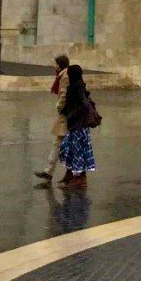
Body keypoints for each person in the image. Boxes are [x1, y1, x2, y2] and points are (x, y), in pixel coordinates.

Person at [57, 63, 96, 190]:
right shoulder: (77, 85)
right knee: (69, 149)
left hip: (78, 125)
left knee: (77, 150)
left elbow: (84, 104)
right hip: (76, 124)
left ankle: (79, 179)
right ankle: (71, 175)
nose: (67, 76)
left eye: (69, 74)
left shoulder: (77, 88)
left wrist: (71, 114)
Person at [35, 54, 70, 185]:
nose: (54, 66)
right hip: (67, 114)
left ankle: (53, 172)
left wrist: (59, 106)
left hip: (66, 115)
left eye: (56, 64)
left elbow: (64, 95)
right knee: (59, 142)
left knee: (63, 143)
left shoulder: (65, 76)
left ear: (60, 65)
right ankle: (50, 171)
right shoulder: (63, 75)